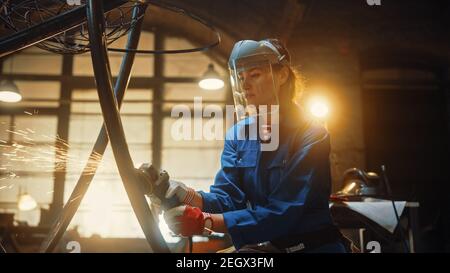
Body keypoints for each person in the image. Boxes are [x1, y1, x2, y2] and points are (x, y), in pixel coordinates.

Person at [153, 38, 347, 253]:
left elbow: (283, 212)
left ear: (282, 75)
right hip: (269, 247)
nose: (245, 85)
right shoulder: (239, 134)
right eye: (241, 77)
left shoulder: (311, 134)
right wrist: (186, 196)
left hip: (313, 247)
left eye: (254, 75)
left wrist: (205, 222)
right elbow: (227, 199)